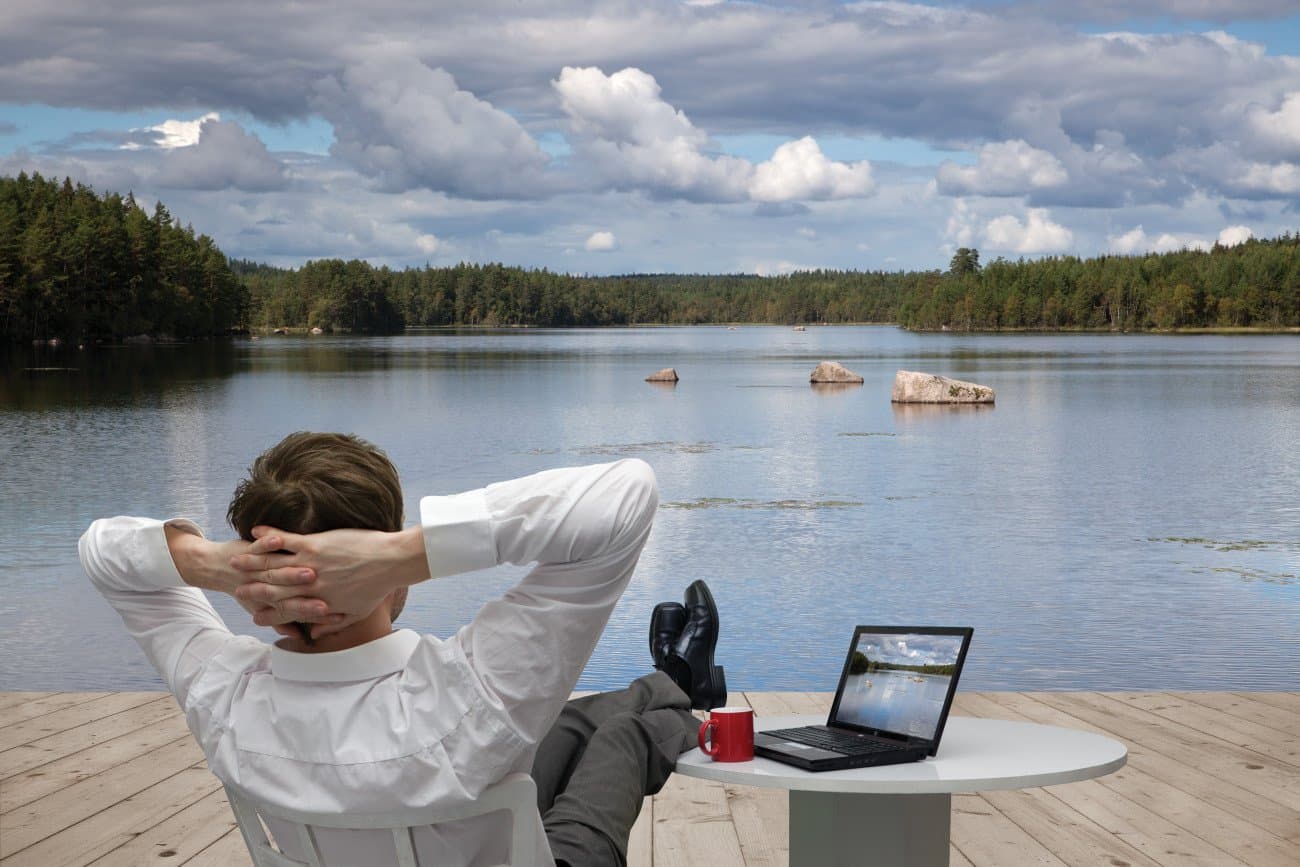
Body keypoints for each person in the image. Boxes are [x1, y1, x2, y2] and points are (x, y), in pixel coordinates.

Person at [80, 431, 726, 867]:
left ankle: (672, 675)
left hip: (464, 777)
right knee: (622, 737)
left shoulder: (222, 694)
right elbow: (629, 493)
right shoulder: (466, 694)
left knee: (579, 718)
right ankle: (678, 691)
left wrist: (218, 565)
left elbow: (104, 552)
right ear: (372, 560)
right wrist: (403, 554)